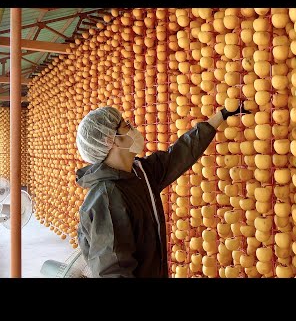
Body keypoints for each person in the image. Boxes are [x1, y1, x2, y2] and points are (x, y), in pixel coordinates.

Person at [75, 102, 250, 278]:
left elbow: (180, 153)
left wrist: (222, 115)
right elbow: (113, 271)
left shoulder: (139, 173)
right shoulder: (106, 200)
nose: (133, 129)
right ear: (109, 141)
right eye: (126, 126)